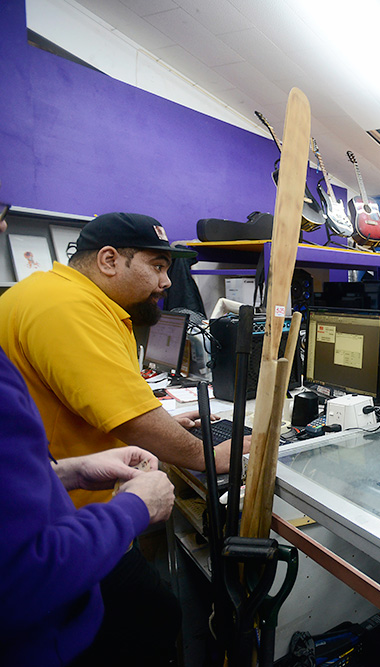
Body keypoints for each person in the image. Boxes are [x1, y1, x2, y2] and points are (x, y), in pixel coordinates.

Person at [0, 211, 248, 508]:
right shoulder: (70, 307)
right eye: (157, 266)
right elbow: (133, 421)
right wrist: (208, 455)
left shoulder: (50, 291)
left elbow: (107, 407)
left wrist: (162, 425)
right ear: (109, 261)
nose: (166, 282)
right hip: (64, 517)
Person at [0, 345, 177, 665]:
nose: (164, 290)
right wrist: (137, 506)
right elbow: (22, 571)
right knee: (159, 611)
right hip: (42, 644)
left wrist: (70, 472)